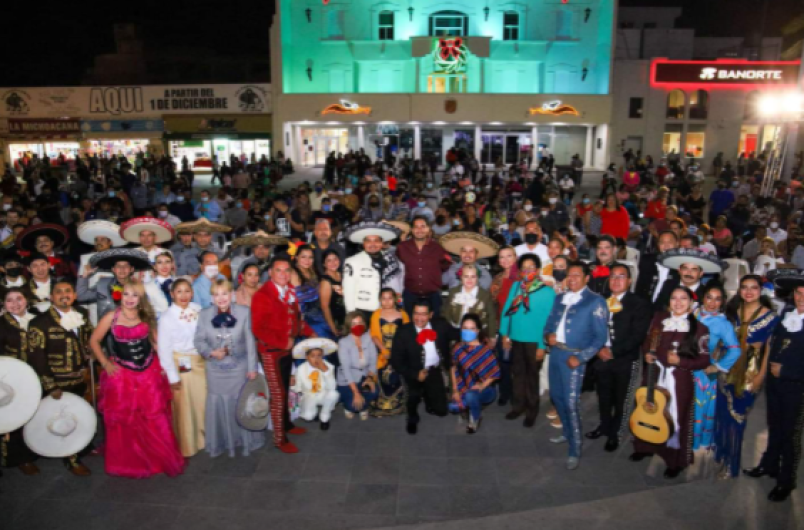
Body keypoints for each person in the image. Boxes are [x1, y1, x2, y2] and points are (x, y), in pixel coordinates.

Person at [89, 281, 185, 477]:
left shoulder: (146, 317)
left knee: (153, 416)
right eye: (126, 294)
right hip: (122, 375)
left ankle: (156, 458)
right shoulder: (111, 317)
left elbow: (157, 344)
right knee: (126, 420)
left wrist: (169, 368)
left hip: (149, 372)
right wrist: (105, 362)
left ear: (141, 299)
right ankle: (131, 461)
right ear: (120, 296)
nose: (130, 299)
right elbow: (94, 340)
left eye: (135, 295)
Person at [630, 286, 711, 478]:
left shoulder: (700, 328)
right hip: (654, 374)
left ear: (691, 304)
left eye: (683, 298)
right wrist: (648, 354)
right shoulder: (659, 319)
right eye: (674, 298)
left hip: (679, 379)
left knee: (676, 418)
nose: (678, 302)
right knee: (648, 408)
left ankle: (675, 460)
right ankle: (645, 446)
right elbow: (647, 341)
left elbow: (705, 360)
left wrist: (680, 361)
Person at [744, 270, 804, 502]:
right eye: (798, 292)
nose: (800, 297)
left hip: (796, 386)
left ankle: (786, 480)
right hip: (775, 383)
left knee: (790, 434)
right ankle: (769, 464)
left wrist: (787, 371)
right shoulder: (788, 313)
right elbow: (775, 342)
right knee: (774, 426)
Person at [544, 262, 609, 470]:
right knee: (556, 396)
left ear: (586, 278)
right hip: (555, 353)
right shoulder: (559, 297)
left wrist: (581, 358)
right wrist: (548, 336)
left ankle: (575, 446)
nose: (572, 278)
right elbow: (548, 324)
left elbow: (600, 338)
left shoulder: (596, 301)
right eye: (569, 275)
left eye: (577, 275)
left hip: (573, 358)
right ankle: (566, 433)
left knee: (571, 403)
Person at [27, 280, 94, 476]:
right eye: (59, 292)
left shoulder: (81, 314)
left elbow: (88, 338)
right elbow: (36, 358)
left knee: (78, 416)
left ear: (74, 295)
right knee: (62, 421)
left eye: (68, 291)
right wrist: (50, 386)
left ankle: (78, 449)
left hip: (80, 378)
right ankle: (71, 460)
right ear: (51, 297)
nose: (64, 295)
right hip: (58, 382)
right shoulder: (39, 323)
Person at [714, 275, 779, 477]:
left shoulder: (771, 318)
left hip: (751, 372)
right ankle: (722, 454)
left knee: (738, 417)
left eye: (754, 288)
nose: (749, 292)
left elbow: (769, 350)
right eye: (744, 287)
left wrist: (761, 376)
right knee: (723, 415)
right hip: (727, 368)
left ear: (761, 291)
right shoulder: (732, 312)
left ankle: (731, 464)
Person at [194, 279, 264, 458]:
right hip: (215, 370)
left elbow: (250, 341)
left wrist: (252, 367)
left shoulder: (244, 312)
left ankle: (245, 441)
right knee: (219, 403)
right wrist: (210, 352)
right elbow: (199, 340)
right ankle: (225, 441)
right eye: (216, 294)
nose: (221, 298)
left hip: (239, 368)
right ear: (211, 298)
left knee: (240, 403)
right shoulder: (204, 314)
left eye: (224, 293)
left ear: (232, 295)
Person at [251, 256, 314, 454]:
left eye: (287, 270)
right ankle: (279, 439)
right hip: (271, 352)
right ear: (270, 273)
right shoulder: (262, 295)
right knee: (278, 395)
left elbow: (296, 320)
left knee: (286, 389)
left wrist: (309, 331)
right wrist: (282, 341)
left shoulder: (289, 292)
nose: (284, 274)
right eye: (279, 270)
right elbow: (258, 329)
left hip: (287, 350)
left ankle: (287, 424)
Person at [585, 263, 651, 452]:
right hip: (600, 357)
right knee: (603, 395)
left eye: (621, 276)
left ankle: (615, 433)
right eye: (613, 276)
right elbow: (590, 327)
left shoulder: (638, 303)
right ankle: (604, 425)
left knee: (622, 398)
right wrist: (598, 350)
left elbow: (637, 335)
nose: (616, 280)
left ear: (629, 281)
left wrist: (613, 351)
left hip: (624, 359)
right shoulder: (600, 300)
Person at [499, 254, 555, 427]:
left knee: (532, 377)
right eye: (524, 268)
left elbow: (549, 321)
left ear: (537, 270)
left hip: (534, 342)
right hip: (516, 338)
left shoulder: (547, 291)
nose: (527, 271)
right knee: (518, 374)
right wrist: (504, 334)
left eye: (531, 267)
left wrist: (542, 345)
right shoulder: (517, 287)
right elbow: (507, 310)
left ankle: (532, 411)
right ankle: (518, 406)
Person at [157, 279, 206, 457]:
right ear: (172, 294)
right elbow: (164, 349)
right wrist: (172, 376)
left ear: (192, 293)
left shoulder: (198, 309)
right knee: (185, 406)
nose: (184, 295)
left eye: (187, 291)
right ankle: (188, 444)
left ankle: (204, 439)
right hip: (181, 364)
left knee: (201, 402)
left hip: (200, 362)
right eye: (179, 291)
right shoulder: (167, 317)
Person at [391, 298, 452, 435]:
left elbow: (457, 334)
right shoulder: (403, 332)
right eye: (416, 313)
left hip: (434, 370)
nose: (419, 318)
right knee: (413, 395)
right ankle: (412, 417)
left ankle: (429, 397)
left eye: (423, 314)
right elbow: (396, 361)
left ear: (430, 315)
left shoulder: (441, 325)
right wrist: (414, 374)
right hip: (413, 372)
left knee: (442, 411)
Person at [691, 283, 740, 454]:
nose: (712, 303)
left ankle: (695, 444)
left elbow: (735, 349)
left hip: (702, 374)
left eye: (717, 299)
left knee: (697, 410)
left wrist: (717, 366)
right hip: (681, 368)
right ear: (702, 297)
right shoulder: (691, 313)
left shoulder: (722, 323)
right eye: (709, 297)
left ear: (722, 302)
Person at [0, 288, 40, 475]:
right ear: (4, 304)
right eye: (9, 300)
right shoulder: (1, 324)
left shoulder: (38, 319)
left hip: (39, 373)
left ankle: (35, 449)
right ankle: (19, 458)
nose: (15, 304)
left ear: (27, 300)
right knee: (16, 416)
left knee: (35, 413)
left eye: (19, 298)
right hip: (14, 377)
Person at [449, 313, 500, 434]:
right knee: (452, 407)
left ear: (477, 331)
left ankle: (475, 417)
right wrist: (455, 390)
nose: (468, 331)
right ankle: (468, 404)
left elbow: (495, 373)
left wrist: (482, 385)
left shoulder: (485, 351)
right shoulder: (457, 348)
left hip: (486, 390)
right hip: (463, 387)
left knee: (471, 396)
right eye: (465, 328)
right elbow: (453, 368)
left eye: (472, 328)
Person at [343, 221, 404, 321]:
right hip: (364, 311)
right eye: (368, 241)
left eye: (376, 240)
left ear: (381, 243)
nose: (373, 244)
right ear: (363, 243)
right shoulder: (352, 261)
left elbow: (399, 282)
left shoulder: (391, 259)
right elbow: (348, 291)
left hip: (387, 310)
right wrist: (352, 316)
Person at [395, 216, 451, 316]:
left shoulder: (437, 248)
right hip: (410, 295)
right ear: (412, 230)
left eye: (423, 226)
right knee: (410, 326)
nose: (419, 230)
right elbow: (396, 269)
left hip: (433, 296)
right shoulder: (402, 247)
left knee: (434, 326)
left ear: (428, 229)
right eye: (416, 227)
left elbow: (445, 266)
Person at [77, 249, 151, 320]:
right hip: (107, 329)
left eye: (126, 266)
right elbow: (81, 296)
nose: (122, 269)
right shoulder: (103, 284)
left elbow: (146, 311)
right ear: (113, 269)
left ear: (131, 269)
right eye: (118, 266)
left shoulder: (139, 287)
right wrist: (85, 276)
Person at [369, 288, 409, 416]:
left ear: (395, 300)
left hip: (398, 352)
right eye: (383, 298)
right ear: (380, 300)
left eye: (389, 298)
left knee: (396, 376)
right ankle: (382, 402)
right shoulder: (376, 314)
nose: (386, 301)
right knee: (384, 375)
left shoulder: (402, 314)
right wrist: (383, 349)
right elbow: (374, 335)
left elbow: (407, 334)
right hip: (382, 352)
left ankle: (397, 402)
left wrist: (400, 351)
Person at [337, 312, 379, 420]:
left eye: (360, 322)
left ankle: (363, 407)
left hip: (364, 376)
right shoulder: (343, 342)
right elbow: (346, 369)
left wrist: (370, 378)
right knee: (352, 405)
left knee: (374, 391)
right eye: (354, 323)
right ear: (349, 326)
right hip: (347, 380)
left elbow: (373, 361)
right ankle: (348, 406)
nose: (358, 325)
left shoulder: (368, 337)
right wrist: (356, 393)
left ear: (364, 324)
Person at [291, 339, 340, 430]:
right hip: (309, 395)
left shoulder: (328, 366)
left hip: (323, 393)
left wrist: (325, 371)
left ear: (322, 356)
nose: (316, 359)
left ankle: (324, 416)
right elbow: (297, 388)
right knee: (308, 417)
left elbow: (332, 387)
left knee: (334, 394)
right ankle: (313, 412)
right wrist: (293, 384)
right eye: (312, 356)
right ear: (307, 357)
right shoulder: (301, 369)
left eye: (319, 356)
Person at [443, 264, 498, 340]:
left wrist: (492, 336)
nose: (469, 280)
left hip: (477, 333)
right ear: (461, 277)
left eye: (473, 276)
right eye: (466, 276)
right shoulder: (453, 292)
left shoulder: (485, 295)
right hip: (456, 330)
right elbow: (446, 311)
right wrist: (450, 326)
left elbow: (491, 316)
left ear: (477, 278)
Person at [635, 230, 679, 309]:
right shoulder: (647, 261)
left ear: (677, 244)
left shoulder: (680, 267)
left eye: (670, 242)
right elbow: (640, 288)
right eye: (662, 242)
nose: (666, 246)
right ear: (658, 245)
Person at [319, 249, 345, 339]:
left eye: (335, 259)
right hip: (335, 320)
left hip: (345, 317)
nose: (333, 262)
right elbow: (325, 307)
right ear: (324, 264)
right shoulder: (326, 282)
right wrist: (333, 328)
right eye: (329, 260)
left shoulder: (341, 274)